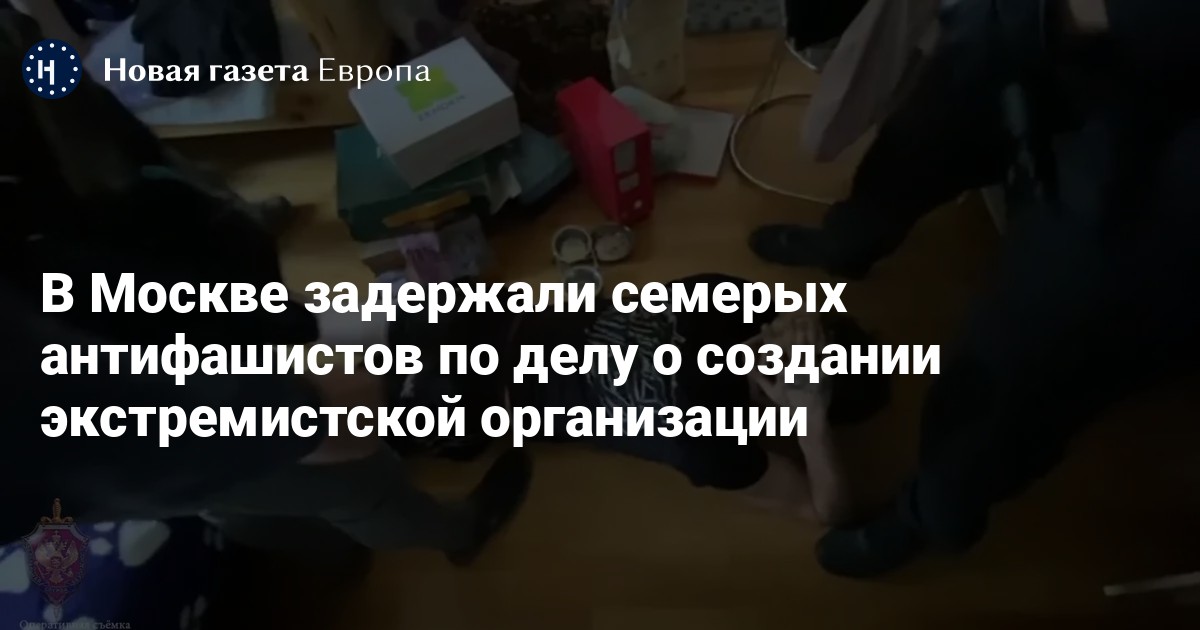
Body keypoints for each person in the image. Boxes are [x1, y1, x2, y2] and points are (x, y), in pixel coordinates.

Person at [2, 7, 528, 567]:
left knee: (290, 455)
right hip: (141, 417)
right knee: (354, 484)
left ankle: (327, 527)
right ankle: (455, 532)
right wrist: (314, 400)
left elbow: (55, 86)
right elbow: (101, 425)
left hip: (134, 274)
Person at [750, 0, 1200, 577]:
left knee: (1019, 358)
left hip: (1173, 145)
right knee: (928, 125)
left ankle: (931, 513)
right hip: (1058, 28)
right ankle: (849, 242)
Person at [378, 274, 892, 525]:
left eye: (794, 359)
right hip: (496, 320)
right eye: (800, 333)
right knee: (380, 317)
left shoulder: (718, 448)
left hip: (483, 397)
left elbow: (825, 510)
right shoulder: (736, 301)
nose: (777, 338)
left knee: (357, 407)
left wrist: (813, 431)